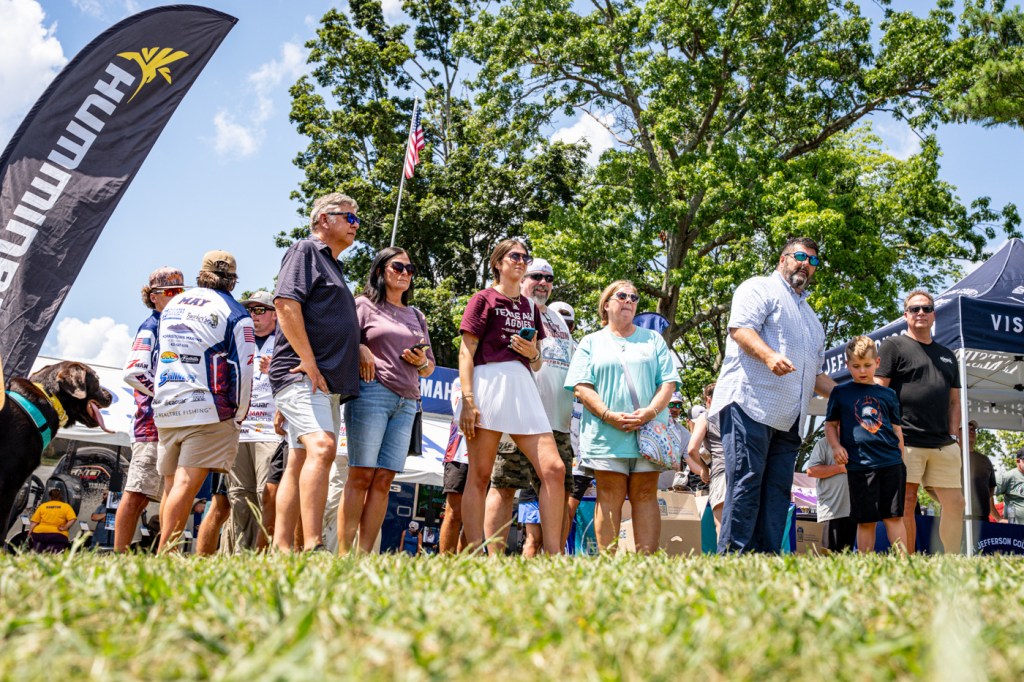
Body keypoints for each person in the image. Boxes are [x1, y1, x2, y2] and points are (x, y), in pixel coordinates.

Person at [709, 237, 835, 554]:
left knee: (778, 491)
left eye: (813, 261)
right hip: (749, 404)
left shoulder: (813, 320)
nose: (806, 264)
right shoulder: (759, 288)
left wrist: (852, 395)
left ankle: (766, 560)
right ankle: (734, 559)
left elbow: (816, 374)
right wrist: (768, 356)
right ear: (782, 259)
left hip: (790, 418)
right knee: (746, 483)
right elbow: (740, 329)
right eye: (800, 256)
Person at [458, 239, 566, 555]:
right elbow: (466, 351)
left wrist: (533, 353)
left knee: (554, 469)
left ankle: (554, 555)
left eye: (524, 257)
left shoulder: (531, 307)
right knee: (480, 476)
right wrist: (468, 400)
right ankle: (475, 554)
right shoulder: (483, 299)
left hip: (523, 386)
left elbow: (537, 362)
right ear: (498, 263)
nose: (521, 261)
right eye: (514, 256)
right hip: (488, 383)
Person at [269, 192, 361, 552]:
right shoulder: (306, 250)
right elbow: (285, 303)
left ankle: (281, 548)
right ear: (324, 219)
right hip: (303, 373)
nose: (356, 225)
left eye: (357, 219)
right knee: (322, 448)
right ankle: (313, 545)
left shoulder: (333, 265)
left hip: (323, 380)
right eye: (349, 217)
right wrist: (307, 361)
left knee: (299, 459)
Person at [565, 280, 679, 553]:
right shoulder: (591, 342)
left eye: (634, 297)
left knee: (645, 494)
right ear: (606, 304)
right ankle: (609, 562)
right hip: (606, 434)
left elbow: (668, 383)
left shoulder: (653, 340)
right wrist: (608, 415)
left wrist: (650, 412)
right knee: (608, 495)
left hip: (648, 433)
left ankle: (645, 561)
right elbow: (581, 386)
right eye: (622, 295)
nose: (629, 300)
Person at [153, 250, 255, 552]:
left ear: (201, 275)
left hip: (167, 405)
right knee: (186, 485)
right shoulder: (236, 313)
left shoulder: (174, 304)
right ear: (232, 280)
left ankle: (166, 552)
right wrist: (240, 413)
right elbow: (244, 369)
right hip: (208, 409)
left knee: (172, 486)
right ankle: (165, 553)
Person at [339, 246, 435, 554]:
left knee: (384, 480)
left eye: (410, 269)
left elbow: (429, 368)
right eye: (398, 267)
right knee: (361, 474)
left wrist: (421, 361)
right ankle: (344, 555)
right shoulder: (363, 305)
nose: (406, 273)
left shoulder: (417, 315)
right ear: (380, 270)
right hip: (371, 394)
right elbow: (342, 341)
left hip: (408, 402)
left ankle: (365, 555)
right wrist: (361, 348)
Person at [483, 257, 576, 554]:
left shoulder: (558, 319)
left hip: (558, 421)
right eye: (536, 276)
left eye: (549, 278)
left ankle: (553, 557)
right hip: (519, 417)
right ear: (522, 278)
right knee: (504, 486)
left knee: (560, 487)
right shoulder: (514, 309)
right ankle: (494, 560)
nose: (543, 283)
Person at [876, 289, 964, 554]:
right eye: (915, 309)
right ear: (906, 315)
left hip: (943, 443)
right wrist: (886, 433)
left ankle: (952, 562)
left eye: (926, 308)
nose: (921, 313)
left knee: (956, 503)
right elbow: (878, 392)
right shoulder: (893, 346)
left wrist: (955, 436)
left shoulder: (948, 355)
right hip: (906, 441)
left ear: (934, 315)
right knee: (906, 502)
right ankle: (908, 563)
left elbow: (955, 401)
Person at [116, 266, 185, 552]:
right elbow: (133, 372)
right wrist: (163, 394)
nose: (176, 296)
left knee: (173, 489)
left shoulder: (178, 326)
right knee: (137, 494)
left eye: (181, 291)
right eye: (170, 292)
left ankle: (166, 553)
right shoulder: (151, 326)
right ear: (153, 296)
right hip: (150, 423)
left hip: (175, 420)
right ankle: (119, 553)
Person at [825, 336, 908, 554]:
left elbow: (897, 430)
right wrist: (835, 447)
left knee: (894, 517)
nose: (862, 370)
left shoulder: (889, 394)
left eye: (867, 365)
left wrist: (901, 461)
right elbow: (831, 425)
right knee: (865, 520)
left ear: (877, 363)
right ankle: (865, 563)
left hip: (891, 464)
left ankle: (905, 561)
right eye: (856, 366)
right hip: (859, 466)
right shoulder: (840, 393)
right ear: (847, 365)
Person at [221, 290, 283, 551]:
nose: (253, 315)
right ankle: (240, 556)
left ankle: (265, 555)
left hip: (270, 431)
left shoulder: (286, 342)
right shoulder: (239, 340)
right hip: (239, 430)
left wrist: (276, 369)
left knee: (266, 496)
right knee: (238, 497)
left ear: (275, 315)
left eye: (260, 310)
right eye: (250, 310)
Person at [804, 438, 854, 552]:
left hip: (856, 512)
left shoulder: (859, 441)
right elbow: (811, 471)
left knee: (852, 559)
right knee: (831, 557)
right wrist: (841, 468)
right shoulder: (823, 443)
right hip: (832, 511)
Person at [688, 383, 724, 532]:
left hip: (721, 472)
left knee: (722, 525)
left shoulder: (706, 416)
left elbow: (692, 449)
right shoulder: (740, 416)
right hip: (746, 472)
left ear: (708, 400)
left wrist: (704, 469)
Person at [439, 386, 469, 554]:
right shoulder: (460, 381)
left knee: (475, 517)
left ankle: (464, 562)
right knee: (454, 511)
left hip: (487, 453)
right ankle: (446, 561)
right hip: (459, 453)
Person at [963, 420, 1002, 523]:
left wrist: (998, 519)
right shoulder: (951, 457)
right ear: (957, 432)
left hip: (982, 518)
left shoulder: (985, 460)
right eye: (967, 428)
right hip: (957, 517)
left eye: (973, 429)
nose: (971, 431)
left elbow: (990, 490)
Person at [29, 488, 77, 553]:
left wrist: (30, 532)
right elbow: (72, 519)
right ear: (61, 496)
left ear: (50, 497)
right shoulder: (66, 506)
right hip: (57, 535)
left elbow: (34, 522)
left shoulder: (43, 506)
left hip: (39, 534)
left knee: (37, 554)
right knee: (53, 555)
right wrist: (64, 528)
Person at [996, 449, 1024, 524]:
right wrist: (998, 519)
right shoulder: (1008, 476)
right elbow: (986, 494)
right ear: (1018, 461)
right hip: (1014, 527)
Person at [517, 486, 542, 557]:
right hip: (532, 496)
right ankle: (524, 564)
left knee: (541, 544)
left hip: (553, 495)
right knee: (533, 542)